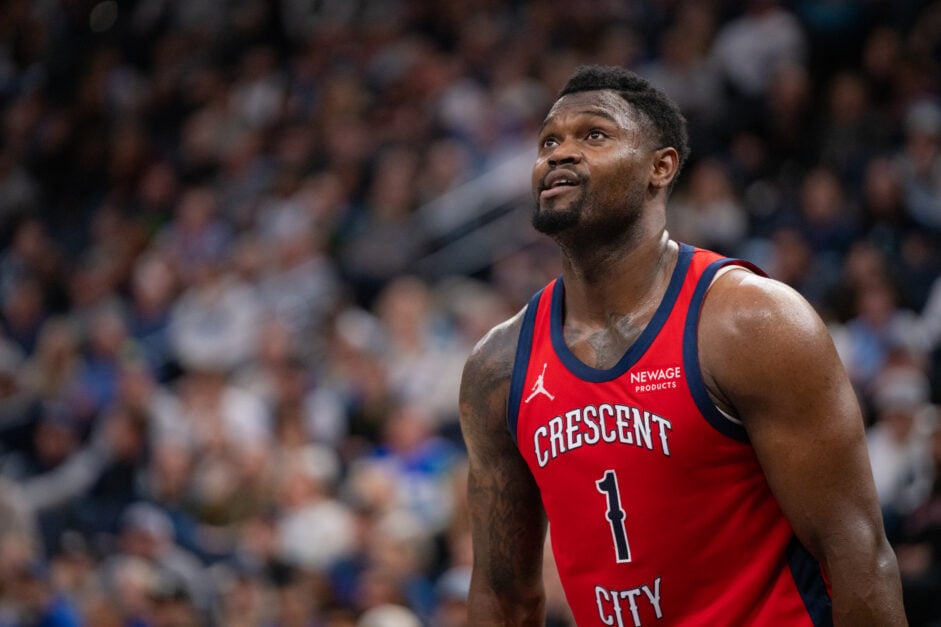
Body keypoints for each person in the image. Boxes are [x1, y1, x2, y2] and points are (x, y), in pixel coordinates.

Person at [458, 65, 906, 626]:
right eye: (549, 140)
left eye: (593, 135)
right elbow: (502, 597)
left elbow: (858, 555)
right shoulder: (498, 367)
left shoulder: (753, 322)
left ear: (660, 167)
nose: (559, 154)